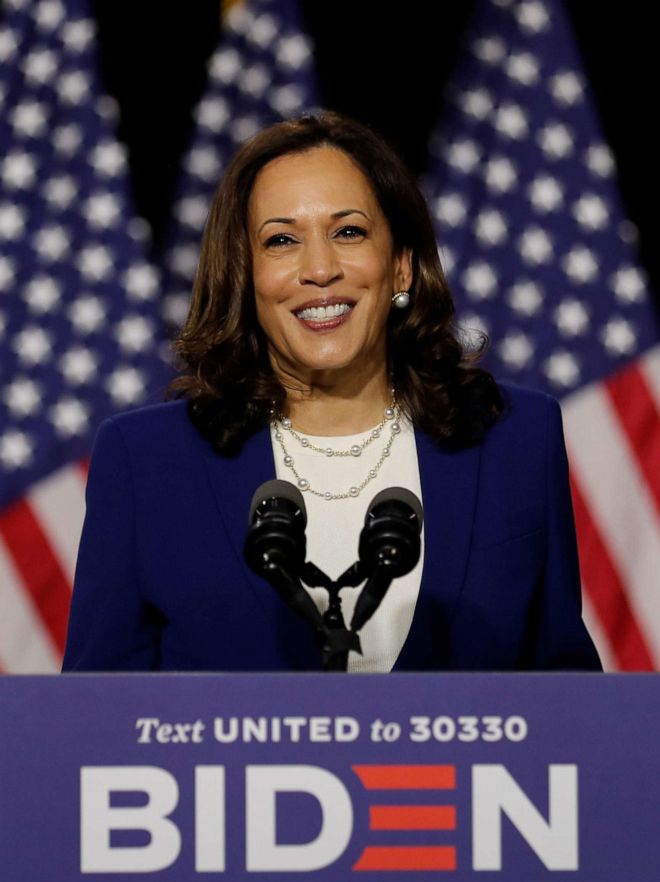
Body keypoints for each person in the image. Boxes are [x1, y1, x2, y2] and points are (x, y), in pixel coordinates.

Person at [62, 111, 600, 674]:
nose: (318, 269)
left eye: (348, 232)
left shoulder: (515, 439)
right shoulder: (147, 460)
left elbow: (565, 699)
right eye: (281, 240)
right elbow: (98, 719)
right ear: (246, 277)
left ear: (401, 266)